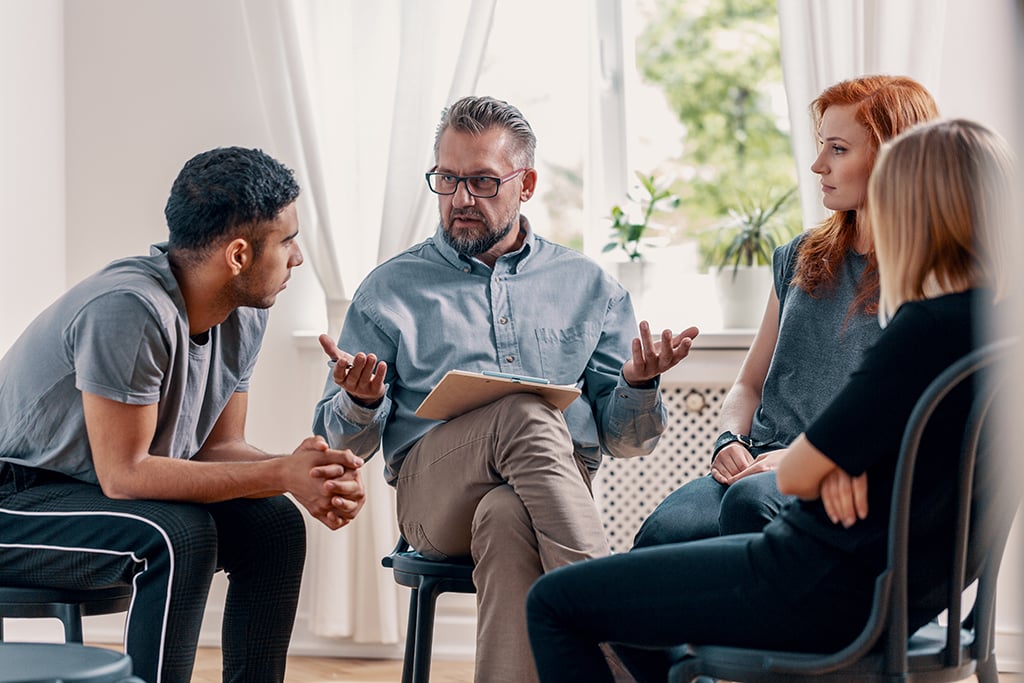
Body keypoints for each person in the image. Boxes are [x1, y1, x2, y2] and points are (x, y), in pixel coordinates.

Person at [526, 117, 1013, 682]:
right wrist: (842, 460)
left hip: (813, 583)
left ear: (920, 209)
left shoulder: (924, 329)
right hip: (898, 592)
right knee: (649, 581)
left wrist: (823, 461)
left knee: (555, 602)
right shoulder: (997, 331)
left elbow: (803, 471)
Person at [312, 95, 699, 682]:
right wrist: (360, 400)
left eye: (483, 181)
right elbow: (339, 444)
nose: (461, 198)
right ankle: (622, 642)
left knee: (507, 515)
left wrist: (638, 384)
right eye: (447, 179)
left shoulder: (590, 286)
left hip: (551, 492)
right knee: (523, 410)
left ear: (527, 184)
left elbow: (628, 442)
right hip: (433, 497)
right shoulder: (389, 289)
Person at [0, 147, 367, 683]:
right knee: (178, 533)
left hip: (89, 493)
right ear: (239, 255)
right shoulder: (127, 308)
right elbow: (126, 475)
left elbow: (219, 448)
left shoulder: (242, 313)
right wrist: (280, 473)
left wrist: (305, 471)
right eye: (287, 240)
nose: (297, 258)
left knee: (273, 524)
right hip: (16, 500)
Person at [633, 75, 940, 548]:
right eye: (822, 146)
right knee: (662, 533)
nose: (818, 165)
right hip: (756, 463)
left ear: (891, 156)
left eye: (838, 149)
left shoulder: (931, 277)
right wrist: (727, 441)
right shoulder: (799, 256)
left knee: (750, 505)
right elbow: (749, 384)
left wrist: (808, 458)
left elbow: (917, 419)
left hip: (845, 477)